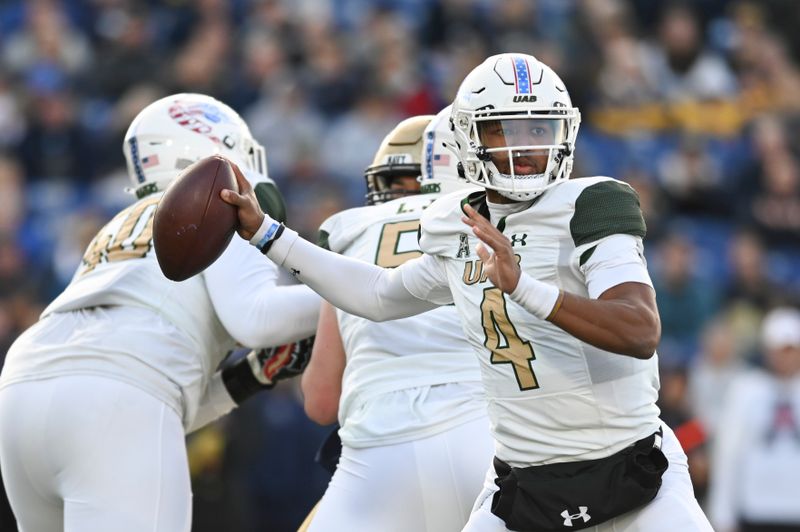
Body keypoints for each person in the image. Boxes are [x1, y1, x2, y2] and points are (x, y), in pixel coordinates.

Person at [222, 53, 712, 531]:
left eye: (539, 129)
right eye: (507, 130)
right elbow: (377, 294)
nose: (526, 148)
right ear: (466, 137)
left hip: (633, 474)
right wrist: (268, 234)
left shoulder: (590, 203)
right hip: (525, 489)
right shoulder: (456, 226)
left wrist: (523, 287)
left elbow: (639, 328)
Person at [0, 93, 320, 532]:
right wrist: (355, 294)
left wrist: (251, 376)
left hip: (23, 389)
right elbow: (257, 317)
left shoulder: (117, 224)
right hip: (117, 391)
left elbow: (161, 396)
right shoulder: (217, 200)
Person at [300, 110, 493, 531]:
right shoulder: (500, 220)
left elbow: (320, 401)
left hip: (378, 452)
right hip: (491, 436)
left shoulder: (349, 233)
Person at [708, 306, 800, 532]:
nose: (785, 357)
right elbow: (728, 452)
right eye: (779, 350)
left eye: (790, 350)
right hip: (755, 508)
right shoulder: (745, 389)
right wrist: (722, 513)